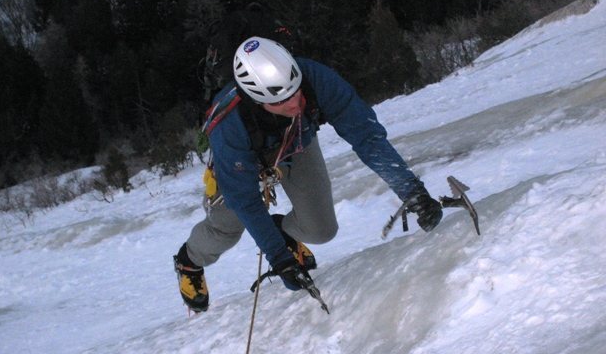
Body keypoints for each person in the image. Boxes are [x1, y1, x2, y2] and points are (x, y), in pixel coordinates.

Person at [174, 36, 443, 313]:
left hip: (296, 140)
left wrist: (412, 191)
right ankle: (189, 261)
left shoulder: (314, 78)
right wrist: (280, 259)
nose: (296, 103)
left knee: (322, 229)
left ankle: (281, 231)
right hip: (244, 158)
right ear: (257, 100)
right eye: (282, 101)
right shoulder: (229, 124)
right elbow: (245, 201)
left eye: (296, 91)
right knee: (226, 228)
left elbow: (367, 137)